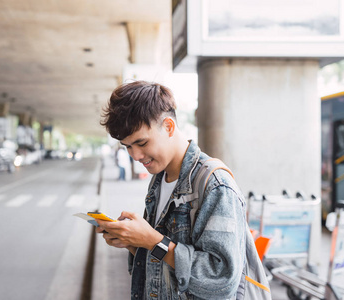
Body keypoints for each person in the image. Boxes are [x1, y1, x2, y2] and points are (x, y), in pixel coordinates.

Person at [97, 81, 247, 299]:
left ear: (168, 126)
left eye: (142, 143)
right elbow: (162, 264)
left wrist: (151, 240)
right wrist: (134, 243)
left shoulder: (216, 185)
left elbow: (222, 280)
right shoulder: (159, 179)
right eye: (127, 146)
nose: (135, 156)